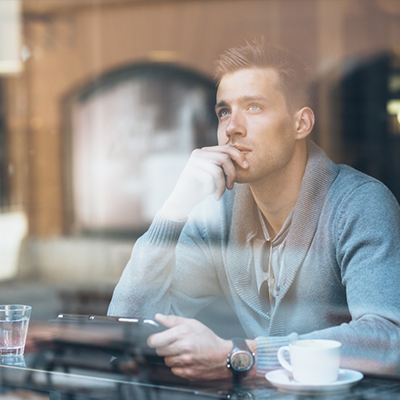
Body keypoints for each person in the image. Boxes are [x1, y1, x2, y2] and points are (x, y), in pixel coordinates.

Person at [108, 40, 400, 382]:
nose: (232, 127)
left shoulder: (359, 204)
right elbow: (127, 322)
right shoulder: (218, 212)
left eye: (254, 107)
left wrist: (241, 355)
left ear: (300, 124)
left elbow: (387, 338)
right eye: (224, 111)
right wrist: (174, 209)